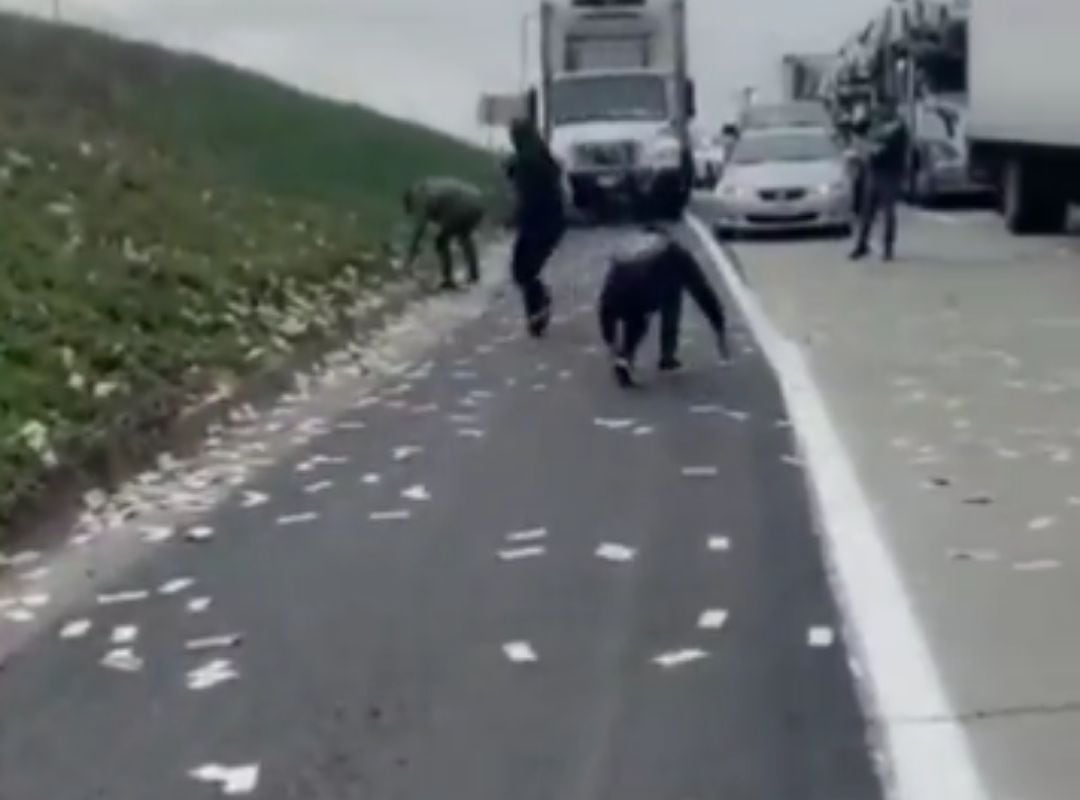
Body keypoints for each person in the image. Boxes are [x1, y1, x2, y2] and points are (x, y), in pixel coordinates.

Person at [597, 171, 730, 388]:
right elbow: (702, 292)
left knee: (634, 317)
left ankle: (623, 357)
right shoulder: (675, 253)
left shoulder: (630, 246)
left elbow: (607, 296)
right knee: (671, 292)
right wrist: (719, 327)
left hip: (610, 300)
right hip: (640, 295)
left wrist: (610, 340)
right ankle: (665, 356)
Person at [506, 118, 566, 337]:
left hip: (538, 222)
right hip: (551, 222)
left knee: (523, 269)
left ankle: (537, 309)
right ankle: (537, 308)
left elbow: (527, 196)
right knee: (525, 269)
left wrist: (514, 216)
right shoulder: (542, 156)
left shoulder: (527, 162)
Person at [850, 99, 909, 262]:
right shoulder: (875, 123)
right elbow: (857, 129)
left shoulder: (898, 127)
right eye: (878, 108)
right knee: (867, 211)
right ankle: (862, 245)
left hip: (890, 172)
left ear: (891, 109)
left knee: (888, 212)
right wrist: (861, 118)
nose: (880, 111)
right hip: (874, 171)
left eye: (883, 108)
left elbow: (887, 148)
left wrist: (871, 148)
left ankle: (888, 248)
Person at [403, 177, 485, 289]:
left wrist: (410, 257)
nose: (415, 212)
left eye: (412, 210)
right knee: (464, 236)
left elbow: (420, 230)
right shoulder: (429, 186)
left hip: (460, 206)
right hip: (477, 203)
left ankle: (448, 278)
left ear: (411, 201)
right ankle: (474, 274)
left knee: (441, 241)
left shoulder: (422, 195)